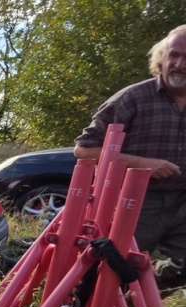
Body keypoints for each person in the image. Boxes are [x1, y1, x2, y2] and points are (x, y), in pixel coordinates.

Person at [74, 25, 186, 293]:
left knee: (181, 269)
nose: (179, 65)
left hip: (182, 202)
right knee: (113, 271)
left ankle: (143, 294)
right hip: (136, 203)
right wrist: (143, 164)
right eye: (174, 55)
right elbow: (84, 150)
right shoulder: (132, 98)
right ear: (162, 58)